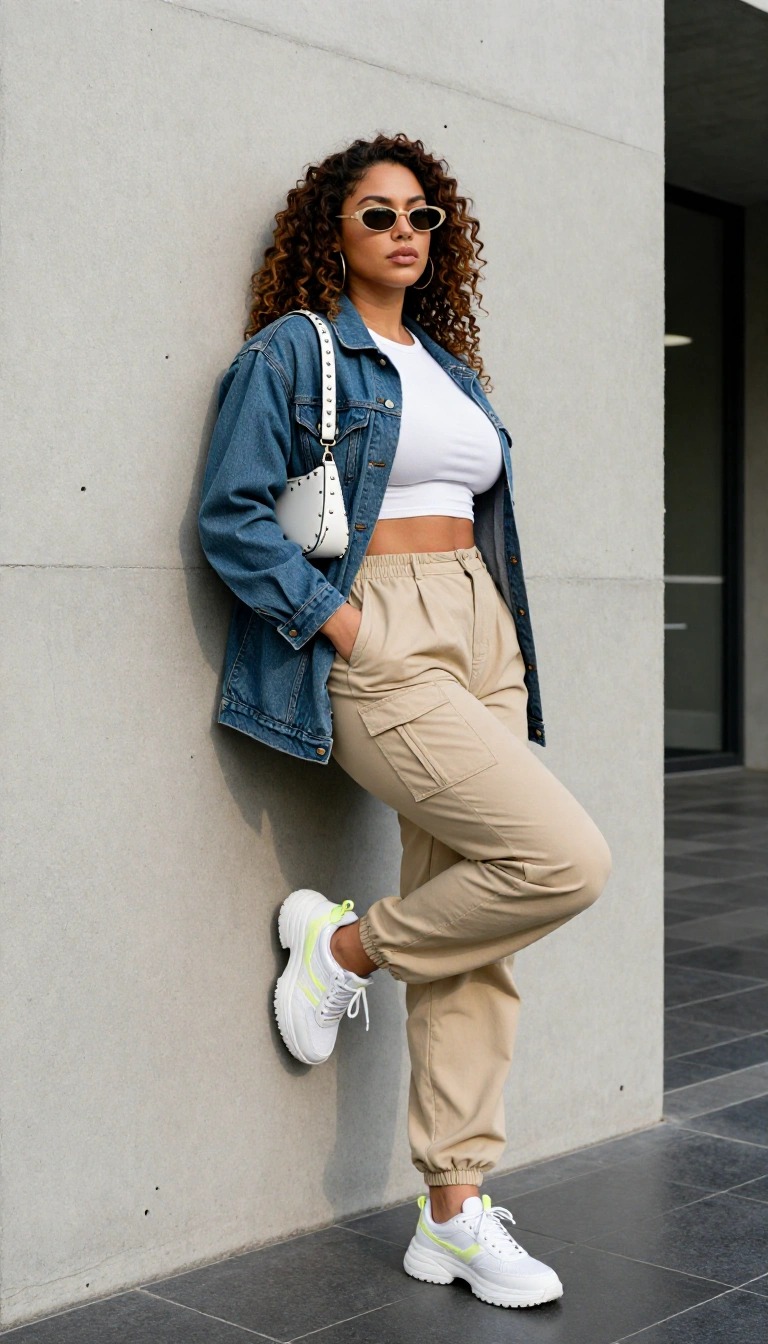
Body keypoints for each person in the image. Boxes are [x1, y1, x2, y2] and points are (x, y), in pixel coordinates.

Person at [198, 132, 612, 1311]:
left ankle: (452, 1212)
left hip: (483, 633)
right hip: (381, 628)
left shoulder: (448, 366)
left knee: (484, 933)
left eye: (421, 215)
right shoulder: (296, 349)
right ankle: (342, 952)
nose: (404, 233)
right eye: (377, 214)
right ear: (331, 230)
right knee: (563, 859)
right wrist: (344, 625)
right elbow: (234, 516)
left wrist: (490, 632)